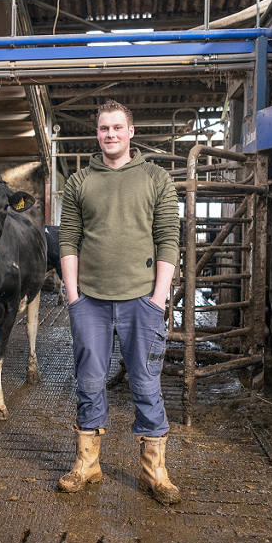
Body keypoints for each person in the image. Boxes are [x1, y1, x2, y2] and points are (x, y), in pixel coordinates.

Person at [57, 99, 182, 505]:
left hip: (141, 300)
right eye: (103, 128)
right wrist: (73, 297)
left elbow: (168, 239)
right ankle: (87, 464)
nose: (109, 134)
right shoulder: (79, 182)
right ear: (96, 133)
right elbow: (68, 240)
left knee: (146, 383)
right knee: (89, 381)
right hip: (90, 301)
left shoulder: (155, 178)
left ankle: (154, 472)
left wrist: (158, 299)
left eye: (116, 127)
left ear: (131, 132)